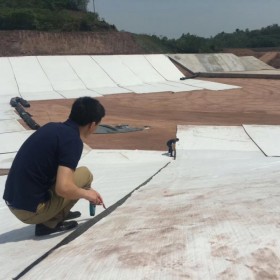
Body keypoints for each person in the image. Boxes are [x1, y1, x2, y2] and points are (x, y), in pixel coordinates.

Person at [3, 96, 105, 236]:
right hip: (29, 211)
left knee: (76, 178)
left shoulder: (52, 128)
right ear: (92, 124)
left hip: (14, 201)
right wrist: (88, 194)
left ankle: (55, 212)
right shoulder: (73, 141)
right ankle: (49, 223)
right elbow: (63, 188)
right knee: (85, 175)